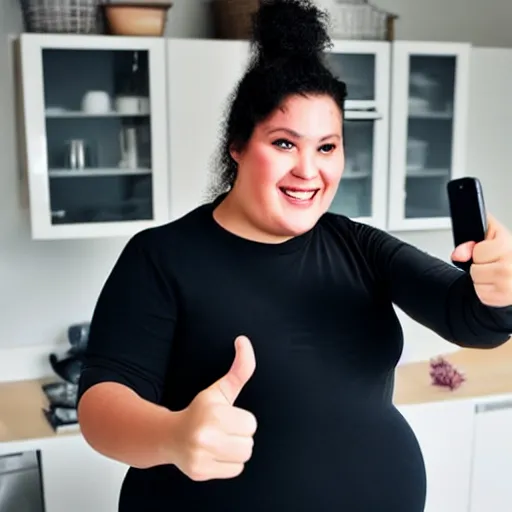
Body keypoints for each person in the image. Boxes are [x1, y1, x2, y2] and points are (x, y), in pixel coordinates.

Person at [77, 1, 512, 510]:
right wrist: (173, 435)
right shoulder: (161, 256)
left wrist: (497, 289)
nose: (309, 170)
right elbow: (101, 408)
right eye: (285, 143)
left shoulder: (358, 245)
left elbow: (474, 322)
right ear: (238, 145)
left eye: (327, 147)